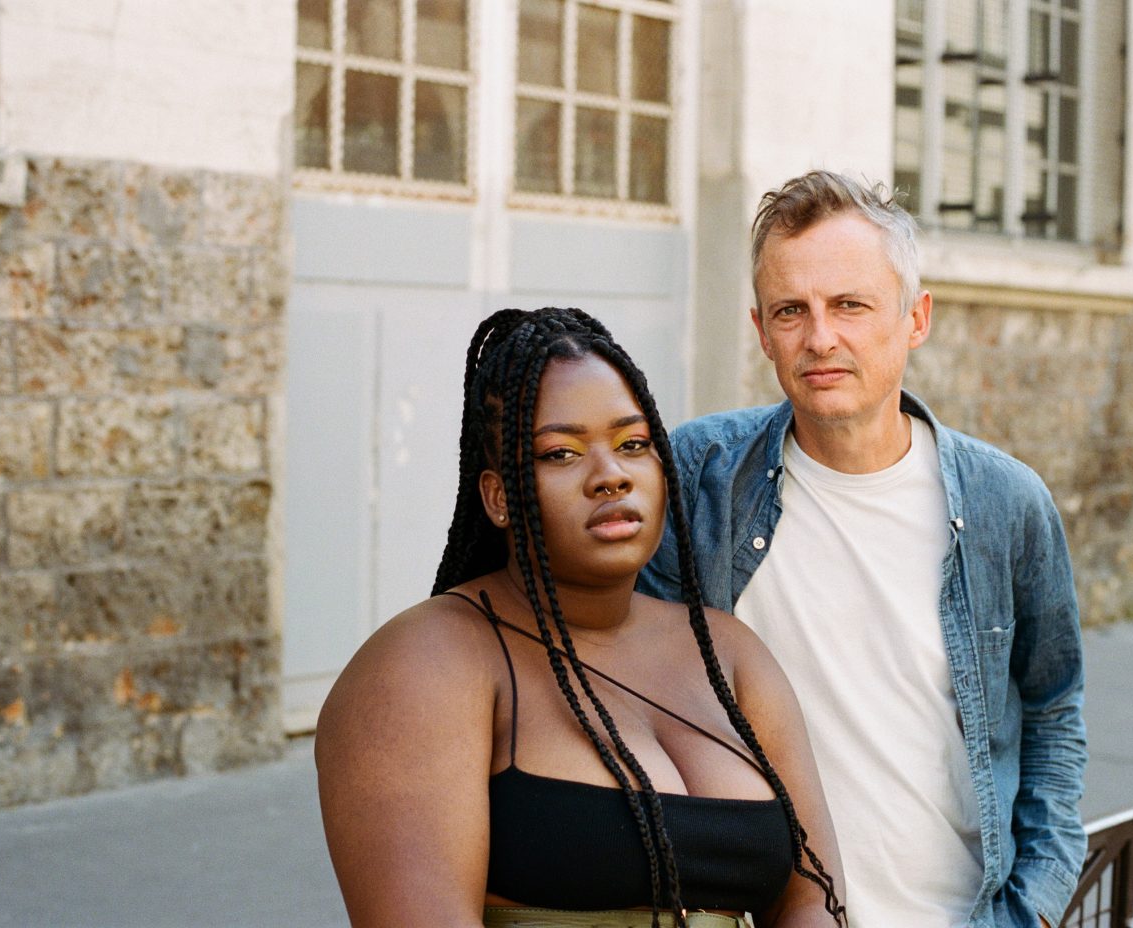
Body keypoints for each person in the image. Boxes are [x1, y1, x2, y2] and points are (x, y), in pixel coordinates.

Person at [638, 172, 1087, 928]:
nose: (820, 338)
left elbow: (1053, 709)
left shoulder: (1005, 505)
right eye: (792, 311)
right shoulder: (699, 478)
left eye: (850, 304)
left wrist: (1035, 906)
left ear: (916, 318)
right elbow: (631, 685)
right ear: (760, 329)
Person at [315, 307, 848, 928]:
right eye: (562, 453)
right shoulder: (426, 663)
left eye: (633, 445)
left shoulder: (727, 652)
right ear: (497, 496)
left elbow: (814, 895)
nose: (611, 476)